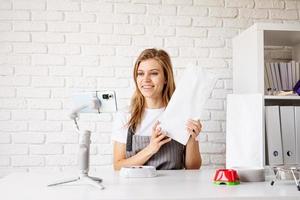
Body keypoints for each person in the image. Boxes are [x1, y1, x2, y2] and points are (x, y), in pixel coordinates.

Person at [112, 48, 202, 170]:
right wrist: (151, 149)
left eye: (154, 73)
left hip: (175, 188)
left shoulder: (182, 114)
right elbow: (118, 166)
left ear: (166, 78)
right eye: (140, 73)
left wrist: (192, 137)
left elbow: (193, 167)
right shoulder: (126, 115)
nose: (146, 79)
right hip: (135, 188)